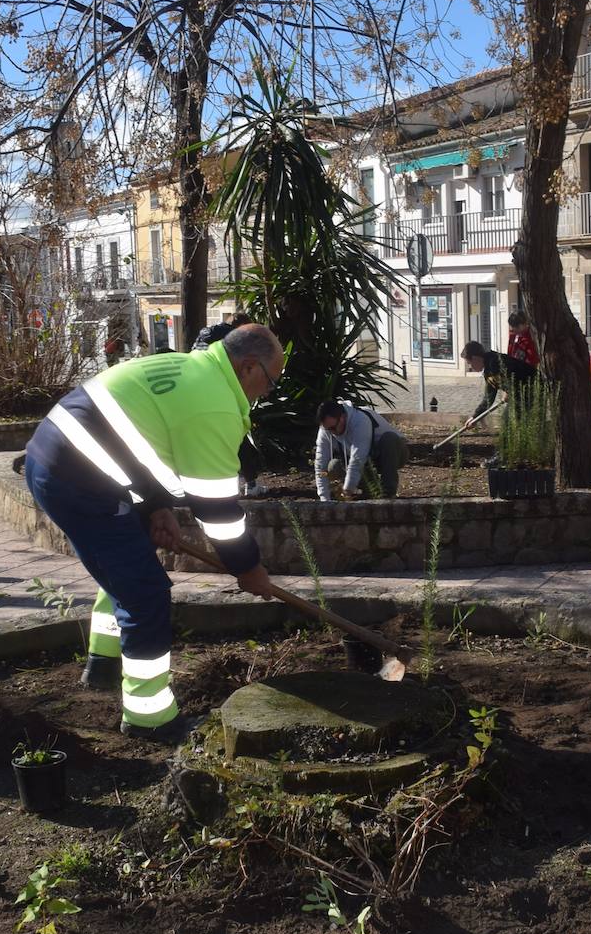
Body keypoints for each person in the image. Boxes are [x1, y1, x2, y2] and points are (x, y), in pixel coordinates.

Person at [24, 324, 280, 741]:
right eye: (270, 381)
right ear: (248, 367)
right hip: (80, 481)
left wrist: (155, 507)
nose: (267, 393)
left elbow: (140, 439)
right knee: (145, 595)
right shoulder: (214, 405)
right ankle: (150, 718)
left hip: (57, 459)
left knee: (127, 568)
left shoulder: (185, 368)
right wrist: (248, 567)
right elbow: (216, 512)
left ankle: (103, 665)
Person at [191, 313, 265, 495]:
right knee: (237, 437)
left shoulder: (203, 336)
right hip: (220, 393)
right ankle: (251, 484)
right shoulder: (233, 339)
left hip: (195, 394)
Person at [315, 400, 409, 500]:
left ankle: (388, 494)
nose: (331, 433)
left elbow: (357, 459)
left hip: (392, 455)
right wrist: (324, 498)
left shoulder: (360, 421)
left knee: (389, 439)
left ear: (342, 417)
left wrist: (347, 490)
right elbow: (321, 467)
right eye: (328, 429)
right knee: (334, 466)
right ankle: (364, 492)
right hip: (364, 462)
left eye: (333, 428)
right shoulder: (326, 430)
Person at [462, 342, 538, 417]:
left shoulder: (496, 362)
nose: (470, 367)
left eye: (469, 363)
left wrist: (509, 391)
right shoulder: (488, 372)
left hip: (533, 389)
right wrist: (475, 416)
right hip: (520, 394)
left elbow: (515, 377)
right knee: (507, 419)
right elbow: (489, 398)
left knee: (509, 419)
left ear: (475, 358)